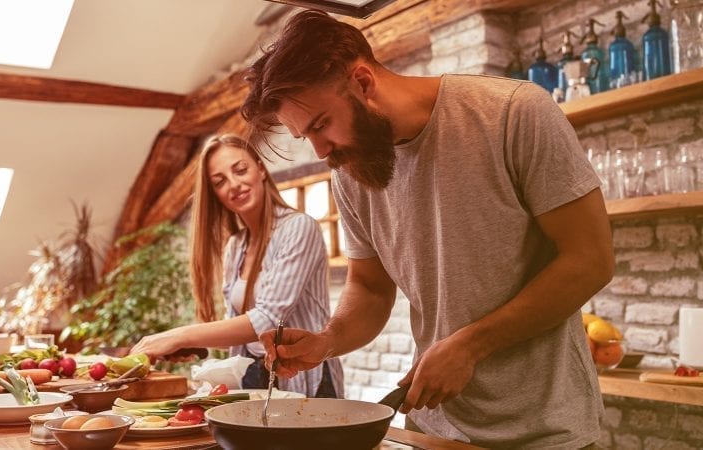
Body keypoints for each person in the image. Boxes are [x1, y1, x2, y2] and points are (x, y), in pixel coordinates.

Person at [241, 9, 614, 449]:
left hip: (546, 432)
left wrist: (471, 346)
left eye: (321, 124)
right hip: (434, 432)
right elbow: (372, 288)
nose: (322, 151)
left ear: (362, 82)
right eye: (307, 137)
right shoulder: (351, 173)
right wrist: (327, 340)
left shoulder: (514, 113)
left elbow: (591, 260)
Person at [130, 134, 342, 398]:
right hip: (256, 378)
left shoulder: (299, 228)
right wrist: (199, 348)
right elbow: (241, 332)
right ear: (215, 194)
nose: (234, 184)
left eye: (240, 170)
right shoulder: (236, 246)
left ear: (261, 169)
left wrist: (180, 336)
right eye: (219, 182)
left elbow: (267, 319)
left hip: (306, 381)